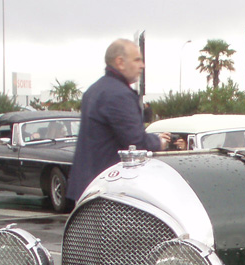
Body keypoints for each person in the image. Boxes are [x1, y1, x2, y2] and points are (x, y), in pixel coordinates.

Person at [66, 39, 170, 203]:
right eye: (137, 60)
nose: (142, 65)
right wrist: (160, 142)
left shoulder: (93, 90)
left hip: (85, 186)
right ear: (120, 62)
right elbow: (135, 143)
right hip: (107, 190)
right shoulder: (119, 95)